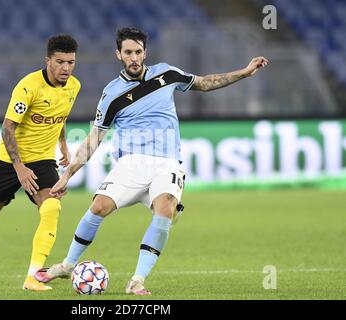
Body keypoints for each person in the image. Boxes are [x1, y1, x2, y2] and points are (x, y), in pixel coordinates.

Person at [34, 27, 269, 295]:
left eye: (137, 52)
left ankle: (137, 280)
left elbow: (204, 83)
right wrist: (67, 174)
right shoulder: (112, 94)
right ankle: (67, 264)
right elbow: (94, 139)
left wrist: (244, 72)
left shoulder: (167, 74)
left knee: (164, 209)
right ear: (118, 55)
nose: (133, 58)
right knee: (99, 206)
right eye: (128, 53)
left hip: (168, 162)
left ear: (145, 52)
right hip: (131, 163)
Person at [0, 34, 81, 291]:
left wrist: (63, 143)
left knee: (52, 207)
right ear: (48, 61)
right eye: (60, 62)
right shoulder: (28, 86)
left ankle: (33, 276)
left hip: (43, 161)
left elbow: (60, 114)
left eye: (71, 62)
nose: (66, 68)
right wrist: (19, 168)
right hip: (10, 161)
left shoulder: (74, 86)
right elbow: (7, 128)